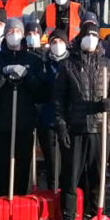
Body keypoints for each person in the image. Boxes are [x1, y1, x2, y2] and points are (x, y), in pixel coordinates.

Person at [53, 22, 110, 220]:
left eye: (94, 36)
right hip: (76, 127)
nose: (90, 40)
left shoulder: (108, 65)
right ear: (80, 38)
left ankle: (96, 217)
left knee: (97, 176)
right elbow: (59, 100)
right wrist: (61, 125)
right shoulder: (68, 65)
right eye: (87, 36)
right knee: (71, 176)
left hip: (100, 129)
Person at [0, 18, 44, 197]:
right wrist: (3, 74)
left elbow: (40, 93)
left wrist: (26, 76)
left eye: (17, 31)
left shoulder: (34, 60)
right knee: (1, 165)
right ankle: (0, 199)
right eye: (9, 32)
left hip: (24, 122)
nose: (13, 35)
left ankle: (21, 200)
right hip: (1, 122)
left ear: (22, 35)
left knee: (22, 165)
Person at [35, 29, 71, 191]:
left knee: (69, 164)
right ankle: (52, 196)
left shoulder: (72, 65)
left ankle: (67, 201)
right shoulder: (44, 65)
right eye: (54, 42)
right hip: (48, 120)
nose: (57, 45)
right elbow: (39, 93)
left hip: (69, 121)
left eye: (60, 42)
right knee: (52, 163)